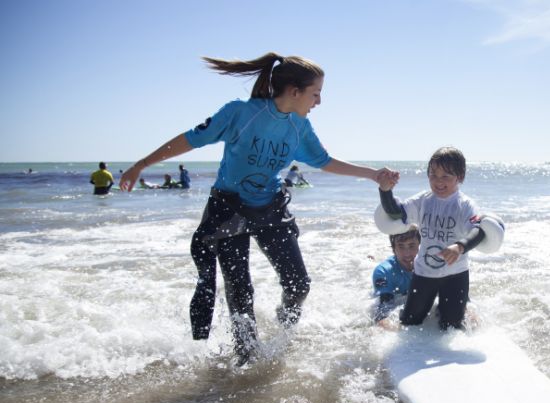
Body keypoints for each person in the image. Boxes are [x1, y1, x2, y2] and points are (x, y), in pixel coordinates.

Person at [119, 52, 398, 365]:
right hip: (229, 208)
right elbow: (190, 140)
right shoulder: (240, 113)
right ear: (294, 92)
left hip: (270, 208)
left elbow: (324, 161)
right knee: (240, 291)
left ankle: (284, 335)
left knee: (299, 284)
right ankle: (245, 361)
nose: (319, 101)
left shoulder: (299, 126)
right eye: (315, 93)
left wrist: (373, 174)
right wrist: (140, 165)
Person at [376, 147, 487, 330]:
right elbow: (396, 212)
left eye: (446, 176)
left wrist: (459, 247)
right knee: (410, 324)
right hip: (424, 274)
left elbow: (480, 230)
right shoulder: (424, 200)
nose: (438, 182)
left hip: (456, 275)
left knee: (451, 327)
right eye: (433, 175)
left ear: (460, 177)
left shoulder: (465, 205)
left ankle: (459, 309)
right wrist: (385, 191)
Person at [372, 227, 421, 328]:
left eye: (412, 246)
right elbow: (382, 311)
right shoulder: (383, 272)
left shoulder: (431, 266)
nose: (407, 254)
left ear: (420, 246)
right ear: (394, 249)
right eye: (401, 246)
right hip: (392, 296)